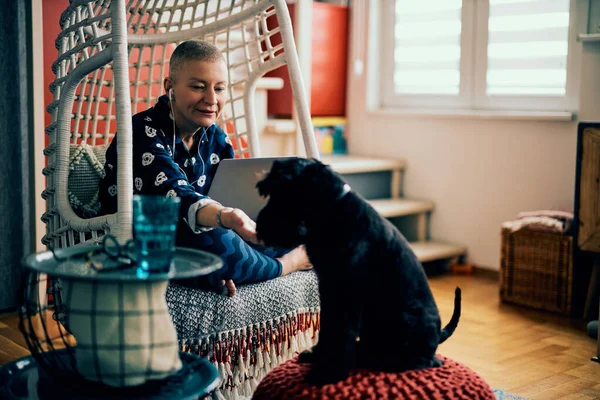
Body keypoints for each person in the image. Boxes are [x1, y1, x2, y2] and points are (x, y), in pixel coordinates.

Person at [98, 40, 311, 296]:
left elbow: (228, 196)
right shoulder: (140, 131)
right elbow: (175, 194)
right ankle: (285, 265)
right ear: (170, 87)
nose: (212, 99)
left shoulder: (217, 138)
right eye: (198, 87)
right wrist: (226, 217)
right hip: (143, 237)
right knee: (217, 241)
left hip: (202, 232)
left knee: (296, 226)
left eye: (220, 88)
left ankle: (218, 270)